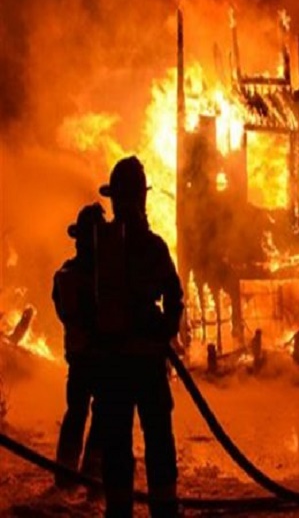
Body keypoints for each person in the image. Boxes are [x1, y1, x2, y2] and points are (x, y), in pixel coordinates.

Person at [93, 156, 184, 518]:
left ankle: (123, 511)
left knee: (121, 442)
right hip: (142, 363)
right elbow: (174, 296)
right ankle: (161, 510)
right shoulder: (151, 247)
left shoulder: (103, 248)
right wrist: (164, 330)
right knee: (155, 439)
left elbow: (83, 301)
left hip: (116, 364)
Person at [52, 203, 105, 488]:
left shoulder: (65, 275)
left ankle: (68, 477)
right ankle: (87, 477)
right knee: (95, 415)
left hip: (81, 359)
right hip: (94, 358)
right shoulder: (84, 277)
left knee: (80, 414)